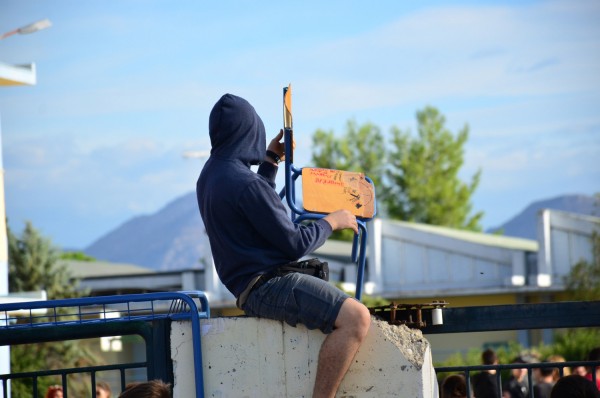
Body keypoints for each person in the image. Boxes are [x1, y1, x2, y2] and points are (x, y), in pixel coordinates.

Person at [196, 93, 371, 398]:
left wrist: (270, 162)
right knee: (357, 318)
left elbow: (256, 210)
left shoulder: (210, 176)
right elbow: (294, 243)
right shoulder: (243, 183)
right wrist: (334, 221)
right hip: (266, 284)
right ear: (251, 132)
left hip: (246, 286)